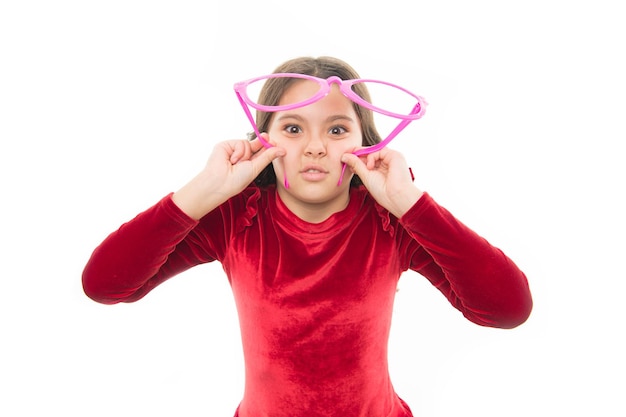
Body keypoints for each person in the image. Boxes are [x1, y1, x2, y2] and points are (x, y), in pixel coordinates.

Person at [82, 56, 533, 417]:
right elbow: (105, 285)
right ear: (264, 139)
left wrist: (410, 203)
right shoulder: (235, 218)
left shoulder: (391, 222)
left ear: (366, 143)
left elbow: (507, 309)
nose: (315, 147)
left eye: (337, 129)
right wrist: (204, 191)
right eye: (293, 129)